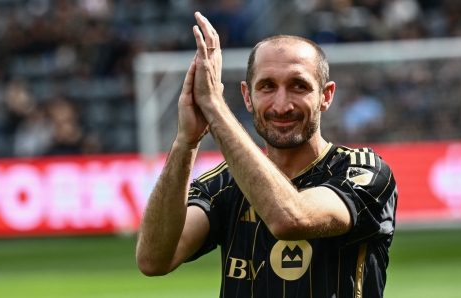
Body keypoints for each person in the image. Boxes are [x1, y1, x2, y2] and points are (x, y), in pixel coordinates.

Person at [136, 12, 398, 298]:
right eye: (267, 86)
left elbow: (291, 218)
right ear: (247, 97)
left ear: (326, 95)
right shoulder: (225, 183)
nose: (282, 105)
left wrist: (214, 106)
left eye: (299, 86)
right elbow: (153, 260)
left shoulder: (364, 170)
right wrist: (185, 143)